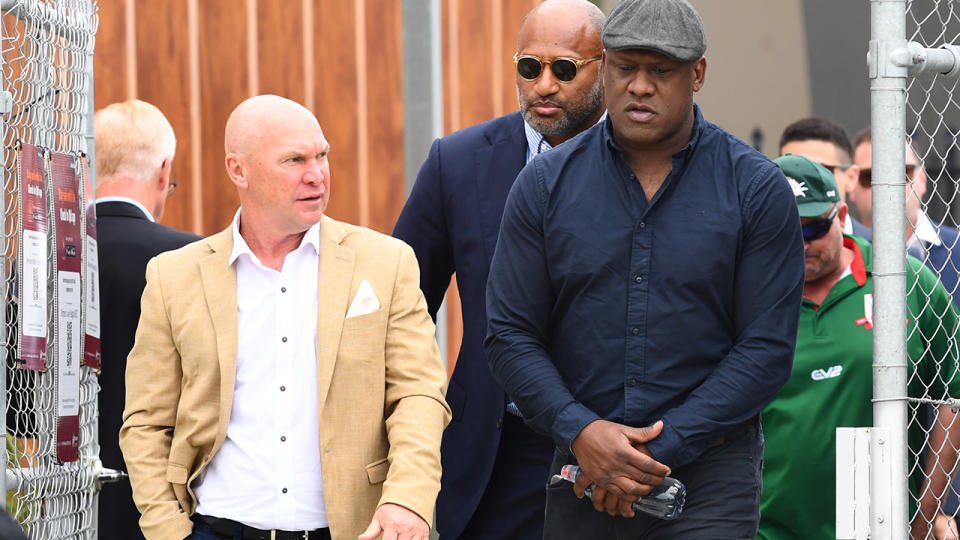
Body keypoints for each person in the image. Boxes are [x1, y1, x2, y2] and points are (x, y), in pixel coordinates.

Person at [484, 0, 805, 537]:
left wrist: (651, 452)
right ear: (604, 66)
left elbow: (766, 349)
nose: (640, 86)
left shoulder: (754, 187)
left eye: (661, 71)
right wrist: (582, 430)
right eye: (627, 67)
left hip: (709, 478)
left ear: (697, 73)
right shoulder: (543, 186)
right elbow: (509, 333)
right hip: (581, 470)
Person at [118, 95, 450, 540]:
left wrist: (407, 499)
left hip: (356, 530)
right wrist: (168, 530)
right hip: (217, 529)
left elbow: (419, 394)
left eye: (322, 155)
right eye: (294, 160)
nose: (316, 174)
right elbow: (145, 422)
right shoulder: (174, 276)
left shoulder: (386, 263)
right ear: (239, 170)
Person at [392, 1, 605, 538]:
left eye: (564, 68)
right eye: (529, 68)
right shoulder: (458, 161)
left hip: (609, 449)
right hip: (493, 447)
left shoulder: (643, 160)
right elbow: (404, 306)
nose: (544, 85)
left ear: (607, 65)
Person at [758, 154, 960, 540]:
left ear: (841, 215)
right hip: (768, 527)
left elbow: (955, 394)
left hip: (875, 524)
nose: (800, 244)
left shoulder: (901, 280)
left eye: (813, 228)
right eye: (783, 230)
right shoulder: (746, 294)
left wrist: (926, 513)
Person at [93, 99, 202, 540]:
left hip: (60, 496)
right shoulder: (191, 258)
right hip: (169, 500)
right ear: (164, 172)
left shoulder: (42, 257)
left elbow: (16, 407)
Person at [852, 128, 960, 307]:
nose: (887, 185)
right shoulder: (839, 260)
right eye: (871, 176)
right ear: (851, 184)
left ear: (923, 179)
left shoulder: (957, 248)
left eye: (902, 172)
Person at [779, 116, 872, 241]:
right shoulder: (765, 250)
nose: (806, 184)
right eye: (792, 173)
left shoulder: (879, 252)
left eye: (820, 171)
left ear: (851, 177)